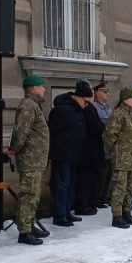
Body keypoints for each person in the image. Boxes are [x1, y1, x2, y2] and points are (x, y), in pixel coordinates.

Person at [9, 75, 50, 245]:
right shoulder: (28, 105)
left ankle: (30, 224)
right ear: (34, 88)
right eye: (42, 86)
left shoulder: (34, 105)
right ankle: (24, 231)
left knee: (34, 195)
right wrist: (16, 148)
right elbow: (20, 131)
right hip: (30, 159)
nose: (44, 89)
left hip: (36, 159)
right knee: (28, 194)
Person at [48, 80, 90, 227]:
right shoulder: (63, 110)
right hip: (63, 155)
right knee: (62, 185)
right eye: (85, 101)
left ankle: (66, 211)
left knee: (70, 184)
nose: (87, 105)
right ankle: (59, 215)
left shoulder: (78, 109)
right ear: (78, 97)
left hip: (74, 155)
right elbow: (52, 131)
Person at [103, 87, 132, 228]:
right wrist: (116, 150)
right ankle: (117, 216)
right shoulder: (118, 114)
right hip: (121, 158)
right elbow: (109, 135)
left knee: (130, 187)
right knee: (120, 187)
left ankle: (127, 212)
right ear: (124, 99)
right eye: (131, 97)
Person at [74, 81, 104, 216]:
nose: (92, 91)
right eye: (90, 89)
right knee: (84, 180)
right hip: (87, 148)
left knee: (93, 177)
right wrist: (103, 129)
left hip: (94, 148)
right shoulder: (84, 106)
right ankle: (82, 205)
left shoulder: (89, 105)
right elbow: (93, 125)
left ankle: (91, 201)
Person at [90, 82, 113, 208]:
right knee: (100, 176)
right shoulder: (95, 108)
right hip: (101, 147)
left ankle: (103, 197)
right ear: (97, 94)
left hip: (109, 148)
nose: (107, 94)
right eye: (105, 92)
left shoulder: (108, 108)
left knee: (108, 175)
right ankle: (96, 199)